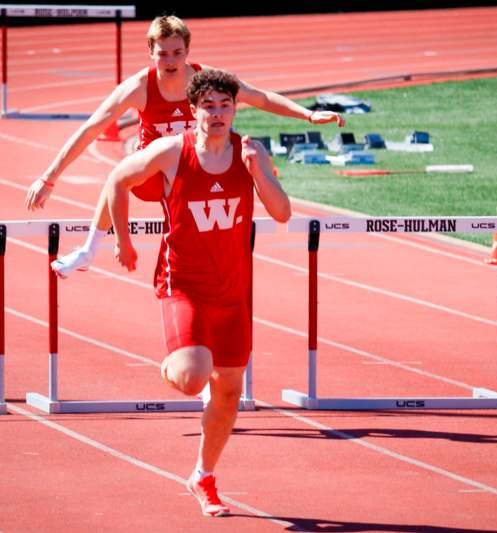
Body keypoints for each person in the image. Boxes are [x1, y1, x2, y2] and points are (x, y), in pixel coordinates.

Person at [25, 15, 342, 277]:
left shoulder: (206, 82)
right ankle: (88, 250)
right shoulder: (138, 87)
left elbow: (260, 97)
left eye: (177, 52)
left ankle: (246, 228)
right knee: (119, 174)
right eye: (163, 54)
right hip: (154, 177)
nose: (171, 61)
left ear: (188, 50)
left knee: (251, 158)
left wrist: (308, 114)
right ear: (151, 52)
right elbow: (91, 128)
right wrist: (49, 178)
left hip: (199, 168)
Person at [105, 69, 289, 517]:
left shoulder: (252, 153)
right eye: (208, 105)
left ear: (235, 109)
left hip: (233, 294)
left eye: (225, 105)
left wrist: (258, 173)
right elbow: (117, 180)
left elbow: (282, 213)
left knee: (228, 394)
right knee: (192, 378)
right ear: (193, 111)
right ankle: (176, 361)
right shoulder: (172, 152)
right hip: (183, 285)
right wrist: (121, 240)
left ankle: (203, 476)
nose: (218, 113)